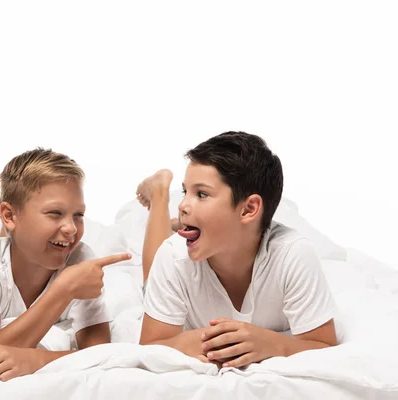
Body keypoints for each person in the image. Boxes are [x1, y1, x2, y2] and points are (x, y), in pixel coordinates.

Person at [137, 131, 338, 368]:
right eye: (185, 192)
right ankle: (159, 192)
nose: (182, 204)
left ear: (248, 209)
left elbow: (325, 347)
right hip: (176, 258)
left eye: (201, 194)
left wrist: (273, 344)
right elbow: (150, 346)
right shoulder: (173, 256)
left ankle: (183, 222)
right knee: (155, 269)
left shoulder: (293, 254)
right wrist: (187, 342)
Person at [0, 148, 130, 380]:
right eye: (55, 213)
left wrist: (37, 359)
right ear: (9, 216)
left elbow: (98, 352)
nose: (71, 228)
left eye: (78, 215)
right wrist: (63, 290)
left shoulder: (80, 260)